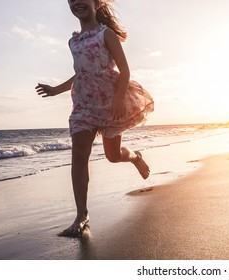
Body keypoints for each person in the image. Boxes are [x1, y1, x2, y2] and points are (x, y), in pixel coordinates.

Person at [36, 0, 154, 237]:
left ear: (96, 3)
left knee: (113, 156)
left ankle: (134, 157)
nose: (76, 2)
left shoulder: (105, 34)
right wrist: (55, 90)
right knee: (79, 155)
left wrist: (119, 99)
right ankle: (82, 215)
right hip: (83, 104)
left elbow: (125, 71)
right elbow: (81, 73)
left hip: (110, 102)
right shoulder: (73, 41)